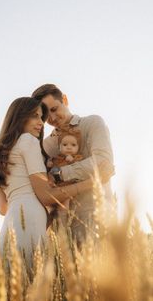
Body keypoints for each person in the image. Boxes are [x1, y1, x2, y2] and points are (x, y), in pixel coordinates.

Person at [0, 97, 113, 266]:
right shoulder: (28, 141)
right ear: (19, 117)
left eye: (41, 117)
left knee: (17, 286)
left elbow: (3, 208)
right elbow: (46, 197)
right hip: (30, 220)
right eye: (35, 116)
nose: (41, 123)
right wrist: (92, 182)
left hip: (9, 225)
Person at [32, 84, 115, 244]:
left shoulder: (92, 123)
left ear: (65, 99)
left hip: (97, 219)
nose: (53, 119)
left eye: (55, 109)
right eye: (46, 116)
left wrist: (58, 174)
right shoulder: (45, 145)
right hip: (60, 230)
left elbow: (103, 162)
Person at [46, 127, 83, 215]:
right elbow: (51, 165)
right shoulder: (57, 158)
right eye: (65, 145)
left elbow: (79, 169)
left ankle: (63, 220)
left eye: (73, 145)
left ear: (78, 147)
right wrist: (49, 163)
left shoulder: (77, 158)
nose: (69, 147)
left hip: (68, 187)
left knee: (64, 204)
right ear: (59, 147)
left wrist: (72, 160)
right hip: (55, 187)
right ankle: (53, 219)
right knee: (51, 204)